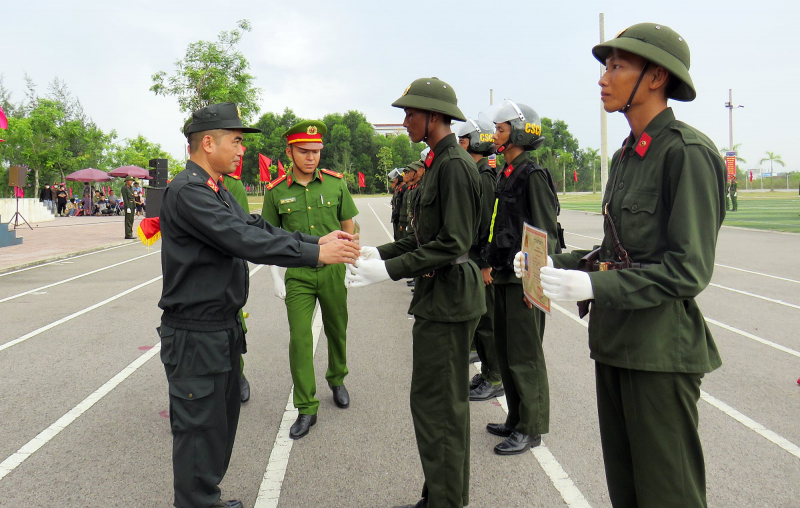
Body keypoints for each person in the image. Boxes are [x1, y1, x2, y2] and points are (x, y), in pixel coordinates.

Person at [537, 23, 725, 507]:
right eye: (605, 65)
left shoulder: (687, 153)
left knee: (668, 495)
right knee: (627, 492)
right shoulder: (626, 156)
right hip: (617, 343)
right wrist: (552, 262)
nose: (604, 77)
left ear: (656, 76)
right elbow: (617, 253)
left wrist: (594, 289)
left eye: (617, 65)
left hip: (661, 352)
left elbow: (688, 271)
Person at [158, 102, 359, 508]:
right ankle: (196, 502)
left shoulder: (214, 187)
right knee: (199, 433)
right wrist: (312, 257)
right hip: (197, 333)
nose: (241, 150)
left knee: (219, 426)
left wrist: (313, 242)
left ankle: (207, 499)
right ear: (207, 142)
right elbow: (241, 239)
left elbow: (253, 226)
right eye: (235, 141)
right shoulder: (188, 190)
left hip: (220, 328)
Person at [347, 77, 483, 508]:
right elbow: (425, 237)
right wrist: (378, 251)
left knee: (438, 409)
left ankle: (445, 502)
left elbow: (453, 243)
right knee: (437, 407)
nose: (405, 121)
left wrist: (386, 271)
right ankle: (441, 496)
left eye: (410, 113)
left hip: (449, 299)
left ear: (434, 116)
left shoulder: (454, 166)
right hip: (438, 298)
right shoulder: (440, 163)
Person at [261, 119, 359, 440]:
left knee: (337, 329)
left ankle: (337, 377)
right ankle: (306, 406)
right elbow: (270, 238)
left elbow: (348, 227)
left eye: (316, 151)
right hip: (298, 274)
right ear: (289, 151)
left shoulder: (335, 184)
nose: (311, 157)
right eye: (304, 151)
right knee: (300, 338)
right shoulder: (276, 192)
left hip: (332, 271)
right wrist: (276, 276)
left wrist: (351, 260)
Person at [481, 101, 560, 456]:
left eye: (500, 129)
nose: (495, 135)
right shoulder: (507, 172)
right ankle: (515, 417)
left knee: (525, 356)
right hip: (503, 276)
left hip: (523, 282)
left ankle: (531, 428)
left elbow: (544, 233)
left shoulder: (532, 175)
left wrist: (536, 284)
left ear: (518, 130)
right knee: (507, 351)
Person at [457, 117, 505, 402]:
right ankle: (488, 371)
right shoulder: (475, 172)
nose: (460, 146)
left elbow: (490, 223)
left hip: (482, 260)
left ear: (475, 141)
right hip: (474, 257)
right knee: (481, 320)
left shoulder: (485, 176)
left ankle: (495, 376)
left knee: (488, 323)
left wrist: (486, 263)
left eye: (462, 141)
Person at [222, 166, 254, 403]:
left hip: (227, 264)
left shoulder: (232, 185)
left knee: (233, 323)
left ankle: (238, 374)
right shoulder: (182, 185)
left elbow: (244, 226)